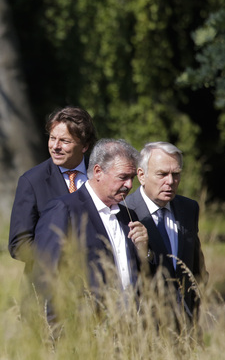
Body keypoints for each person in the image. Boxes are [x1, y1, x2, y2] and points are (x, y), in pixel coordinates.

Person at [33, 138, 148, 325]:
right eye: (122, 177)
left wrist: (145, 251)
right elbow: (45, 277)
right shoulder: (64, 209)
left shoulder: (128, 214)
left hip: (129, 333)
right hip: (84, 332)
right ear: (98, 172)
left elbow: (142, 275)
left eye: (132, 178)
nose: (129, 185)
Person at [122, 141, 208, 321]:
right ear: (141, 175)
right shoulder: (125, 211)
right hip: (143, 325)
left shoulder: (189, 208)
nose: (170, 181)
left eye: (176, 174)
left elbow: (197, 268)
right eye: (162, 174)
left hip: (186, 325)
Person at [9, 106, 97, 273]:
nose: (55, 146)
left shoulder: (100, 174)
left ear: (84, 146)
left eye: (64, 141)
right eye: (52, 138)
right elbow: (18, 245)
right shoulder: (32, 181)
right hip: (51, 287)